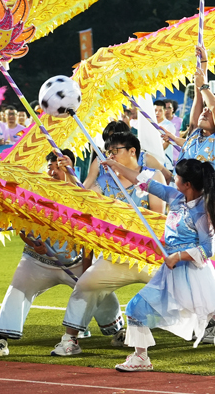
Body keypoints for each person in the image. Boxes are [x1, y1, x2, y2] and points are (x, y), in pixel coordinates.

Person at [112, 158, 215, 375]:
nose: (175, 181)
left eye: (177, 178)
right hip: (171, 273)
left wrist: (178, 256)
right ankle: (141, 356)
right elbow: (148, 184)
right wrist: (115, 166)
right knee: (136, 307)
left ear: (187, 183)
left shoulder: (203, 211)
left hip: (195, 275)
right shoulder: (176, 196)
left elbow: (207, 250)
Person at [0, 150, 116, 357]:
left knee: (99, 286)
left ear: (71, 168)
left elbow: (89, 241)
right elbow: (20, 225)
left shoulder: (83, 195)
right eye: (50, 168)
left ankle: (117, 331)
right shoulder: (35, 193)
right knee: (17, 290)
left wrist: (88, 272)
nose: (53, 172)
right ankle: (0, 339)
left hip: (75, 261)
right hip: (37, 261)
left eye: (59, 167)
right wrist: (33, 243)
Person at [53, 132, 166, 356]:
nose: (110, 156)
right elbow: (81, 200)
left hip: (149, 257)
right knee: (85, 285)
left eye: (115, 151)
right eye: (108, 152)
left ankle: (211, 325)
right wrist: (68, 174)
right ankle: (70, 340)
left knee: (181, 288)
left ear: (132, 151)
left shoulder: (153, 178)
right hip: (114, 257)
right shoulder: (104, 182)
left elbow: (158, 218)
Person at [164, 45, 215, 186]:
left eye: (208, 111)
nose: (205, 111)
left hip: (206, 204)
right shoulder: (196, 134)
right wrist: (203, 63)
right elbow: (198, 94)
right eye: (205, 108)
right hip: (180, 202)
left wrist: (204, 85)